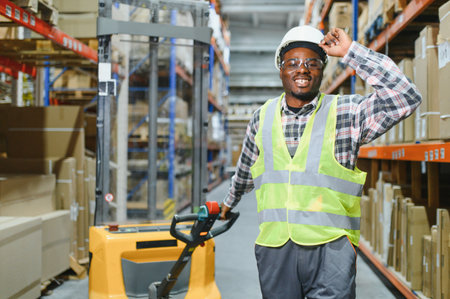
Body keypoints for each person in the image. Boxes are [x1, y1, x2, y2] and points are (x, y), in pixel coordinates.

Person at [219, 25, 422, 298]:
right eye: (292, 63)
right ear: (280, 69)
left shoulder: (346, 113)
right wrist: (227, 204)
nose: (302, 69)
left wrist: (351, 52)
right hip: (275, 249)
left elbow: (406, 96)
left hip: (331, 250)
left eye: (311, 63)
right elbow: (245, 171)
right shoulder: (261, 117)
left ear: (323, 69)